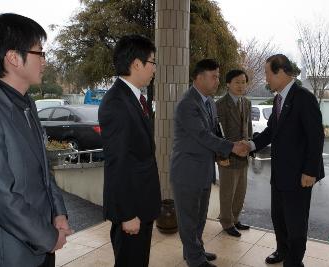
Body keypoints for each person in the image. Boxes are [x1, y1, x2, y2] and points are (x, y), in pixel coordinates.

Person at [0, 13, 72, 267]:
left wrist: (58, 212)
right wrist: (49, 237)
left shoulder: (27, 104)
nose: (44, 61)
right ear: (13, 58)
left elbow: (43, 170)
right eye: (39, 53)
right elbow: (0, 199)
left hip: (43, 248)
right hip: (11, 255)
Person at [246, 54, 324, 267]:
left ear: (280, 72)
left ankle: (294, 261)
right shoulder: (279, 99)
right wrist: (251, 145)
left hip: (300, 175)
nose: (266, 79)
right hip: (279, 173)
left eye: (267, 74)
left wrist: (310, 171)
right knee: (279, 218)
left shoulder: (303, 98)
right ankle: (282, 250)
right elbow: (272, 131)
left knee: (296, 223)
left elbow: (316, 137)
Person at [170, 59, 249, 267]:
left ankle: (195, 251)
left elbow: (215, 132)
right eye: (213, 76)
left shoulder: (209, 103)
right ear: (199, 77)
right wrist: (232, 147)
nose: (217, 81)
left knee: (200, 217)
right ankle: (196, 260)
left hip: (204, 170)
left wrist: (226, 149)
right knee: (188, 219)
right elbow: (202, 135)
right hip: (187, 172)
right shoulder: (188, 103)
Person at [98, 34, 161, 267]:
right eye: (152, 62)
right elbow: (117, 162)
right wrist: (126, 214)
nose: (154, 68)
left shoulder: (133, 98)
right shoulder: (117, 103)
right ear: (137, 64)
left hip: (141, 202)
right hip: (131, 208)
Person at [216, 69, 252, 237]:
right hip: (227, 155)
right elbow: (218, 133)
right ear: (228, 84)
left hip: (243, 155)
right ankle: (226, 222)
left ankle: (235, 219)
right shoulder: (220, 104)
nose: (240, 85)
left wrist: (249, 146)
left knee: (240, 190)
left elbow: (248, 127)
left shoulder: (246, 102)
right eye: (237, 82)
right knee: (227, 191)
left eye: (243, 82)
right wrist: (222, 154)